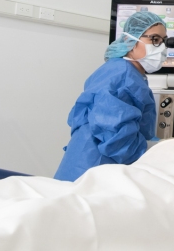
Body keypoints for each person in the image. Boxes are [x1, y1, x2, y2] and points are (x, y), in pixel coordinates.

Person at [54, 11, 167, 181]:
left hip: (94, 165)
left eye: (164, 41)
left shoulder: (128, 73)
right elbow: (116, 137)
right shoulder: (121, 75)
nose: (162, 47)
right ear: (131, 40)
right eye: (155, 40)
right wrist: (155, 150)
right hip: (93, 170)